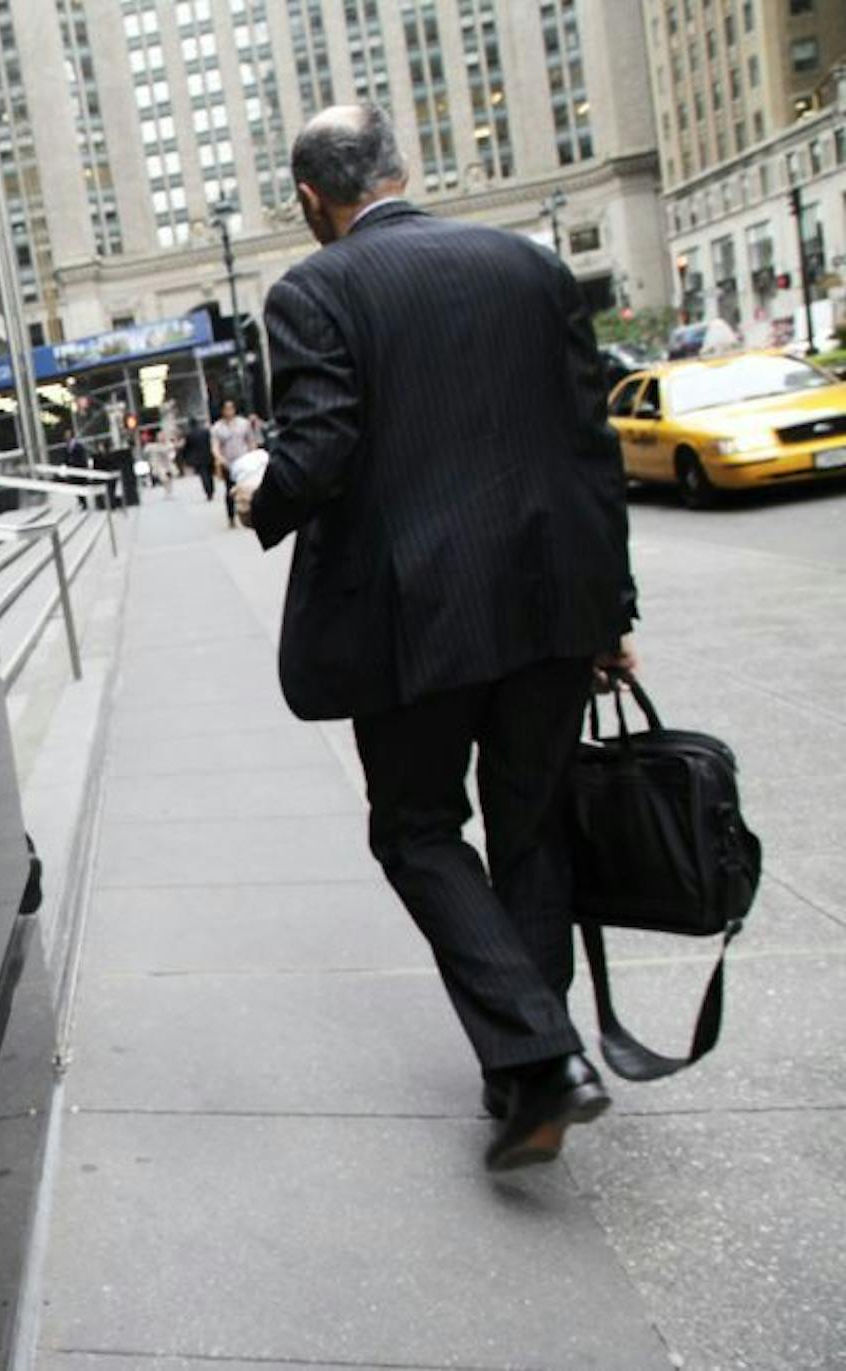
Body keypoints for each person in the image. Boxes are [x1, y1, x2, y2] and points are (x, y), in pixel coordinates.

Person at [231, 105, 638, 1172]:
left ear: (311, 202)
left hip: (416, 624)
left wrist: (253, 497)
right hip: (553, 605)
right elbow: (591, 447)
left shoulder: (314, 289)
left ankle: (541, 1064)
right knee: (532, 826)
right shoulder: (530, 266)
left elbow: (317, 451)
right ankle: (528, 1070)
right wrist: (612, 612)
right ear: (404, 170)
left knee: (414, 830)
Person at [210, 398, 257, 527]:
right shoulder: (217, 428)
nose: (229, 411)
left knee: (247, 488)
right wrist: (220, 458)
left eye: (231, 408)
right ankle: (231, 517)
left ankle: (250, 514)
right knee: (230, 490)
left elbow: (251, 440)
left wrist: (253, 454)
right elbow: (215, 446)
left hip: (244, 461)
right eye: (226, 408)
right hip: (228, 463)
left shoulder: (243, 423)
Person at [178, 414, 216, 502]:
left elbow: (186, 447)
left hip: (198, 458)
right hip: (208, 455)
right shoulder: (205, 431)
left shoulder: (189, 434)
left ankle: (208, 492)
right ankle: (212, 489)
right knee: (210, 474)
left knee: (203, 475)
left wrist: (185, 457)